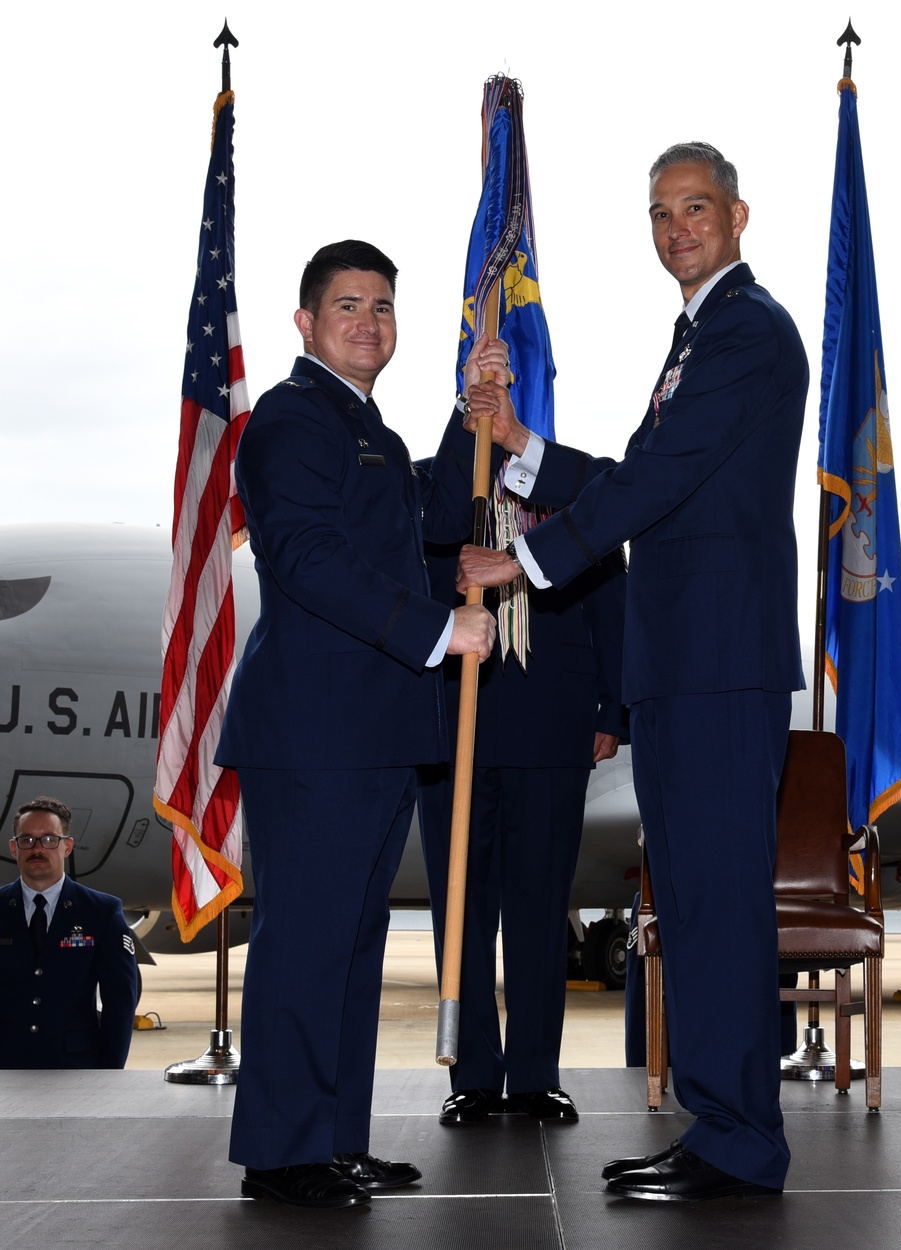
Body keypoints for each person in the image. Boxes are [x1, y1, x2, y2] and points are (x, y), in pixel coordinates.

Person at [457, 143, 808, 1202]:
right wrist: (518, 443)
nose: (675, 228)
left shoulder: (747, 330)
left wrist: (520, 560)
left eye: (694, 207)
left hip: (715, 661)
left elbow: (650, 483)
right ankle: (720, 1128)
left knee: (718, 901)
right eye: (659, 212)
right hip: (684, 662)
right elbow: (635, 477)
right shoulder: (696, 335)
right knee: (694, 903)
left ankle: (742, 1139)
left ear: (738, 215)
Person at [215, 240, 500, 1210]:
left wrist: (475, 412)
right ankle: (281, 1149)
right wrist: (434, 625)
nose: (369, 322)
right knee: (305, 940)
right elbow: (302, 555)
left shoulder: (360, 425)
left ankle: (332, 1136)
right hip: (316, 732)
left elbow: (426, 515)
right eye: (348, 304)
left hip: (374, 730)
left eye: (382, 306)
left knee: (351, 943)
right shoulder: (292, 420)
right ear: (306, 321)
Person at [417, 523, 628, 1125]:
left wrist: (612, 707)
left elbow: (609, 596)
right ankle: (474, 1077)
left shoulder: (575, 499)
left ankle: (536, 1076)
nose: (489, 419)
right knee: (461, 908)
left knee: (542, 909)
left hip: (553, 717)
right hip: (451, 719)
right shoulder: (435, 493)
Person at [1, 796, 138, 1069]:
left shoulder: (100, 912)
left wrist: (108, 1072)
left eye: (49, 839)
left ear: (67, 846)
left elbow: (120, 1001)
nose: (37, 849)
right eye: (27, 840)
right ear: (14, 848)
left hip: (76, 1067)